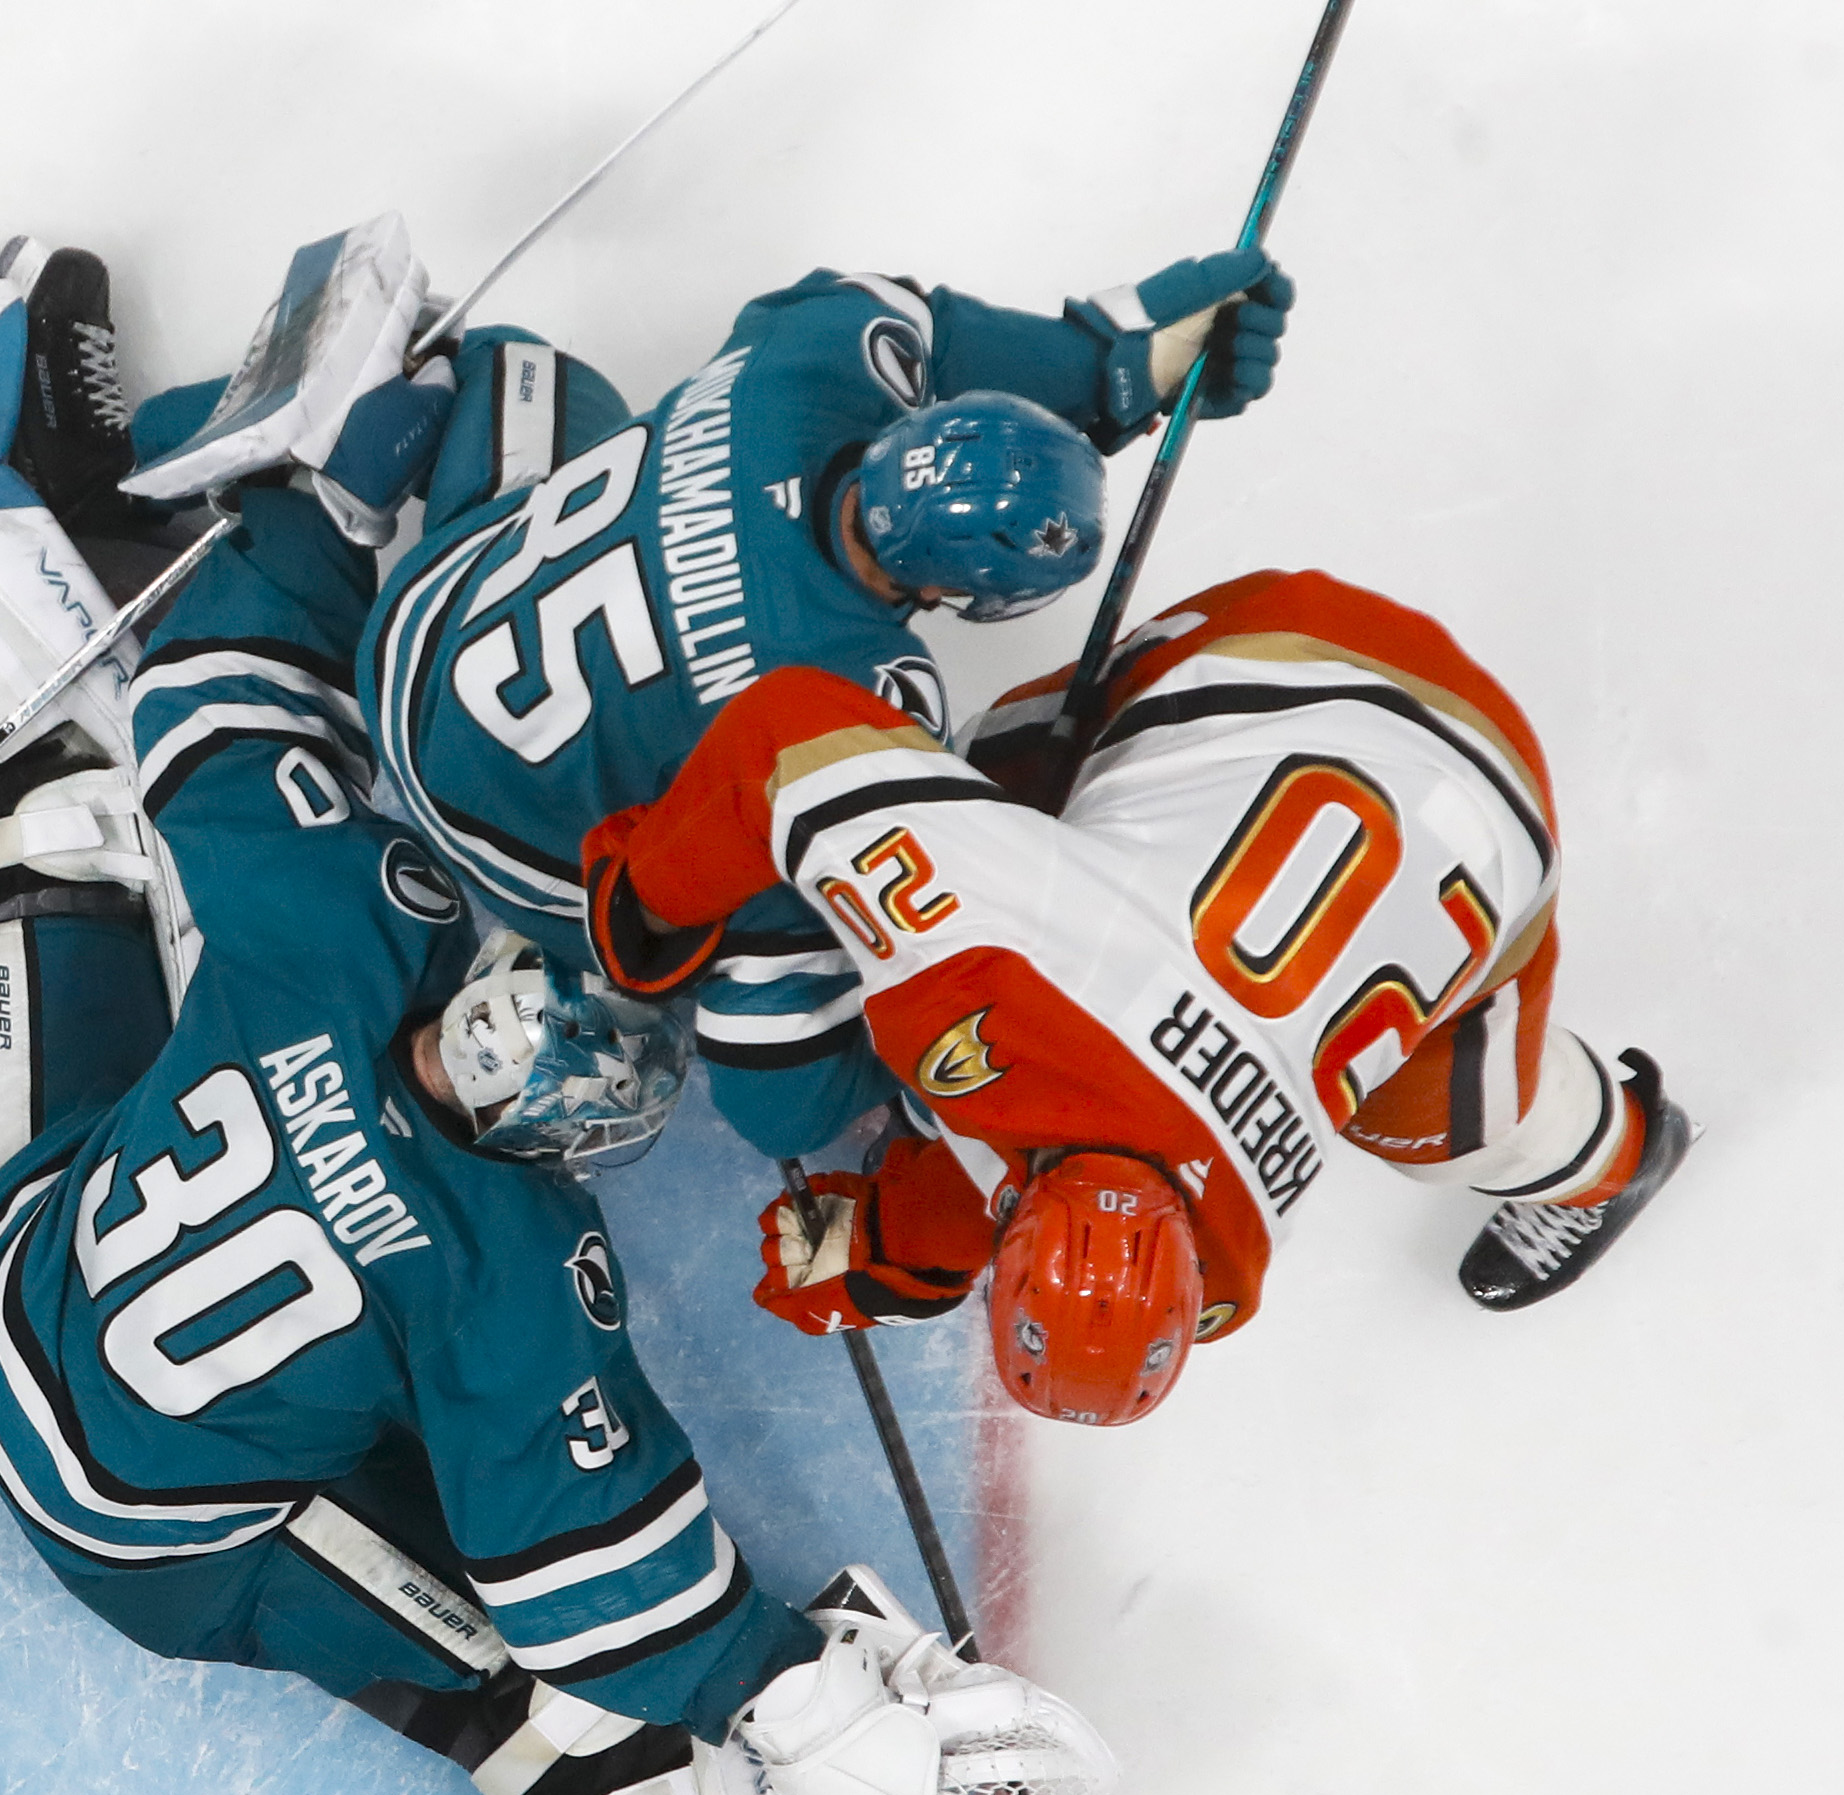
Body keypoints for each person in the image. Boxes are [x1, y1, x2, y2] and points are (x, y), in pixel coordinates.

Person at [0, 241, 1117, 1795]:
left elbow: (219, 691)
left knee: (60, 828)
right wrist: (812, 1703)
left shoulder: (333, 933)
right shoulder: (499, 1274)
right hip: (158, 1522)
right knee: (560, 1732)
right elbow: (610, 1605)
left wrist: (325, 487)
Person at [113, 224, 1295, 1159]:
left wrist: (1115, 359)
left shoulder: (817, 359)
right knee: (674, 988)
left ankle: (342, 468)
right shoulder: (860, 696)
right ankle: (506, 1024)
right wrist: (879, 1086)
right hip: (517, 861)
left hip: (424, 619)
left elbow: (927, 330)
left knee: (535, 370)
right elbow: (774, 1072)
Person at [578, 568, 1699, 1425]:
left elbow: (1080, 1142)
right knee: (1001, 772)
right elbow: (788, 736)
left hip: (1482, 802)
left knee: (1449, 1109)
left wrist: (901, 1242)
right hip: (1298, 663)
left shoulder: (1227, 1262)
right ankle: (1615, 1147)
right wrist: (643, 901)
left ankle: (1620, 1143)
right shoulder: (988, 972)